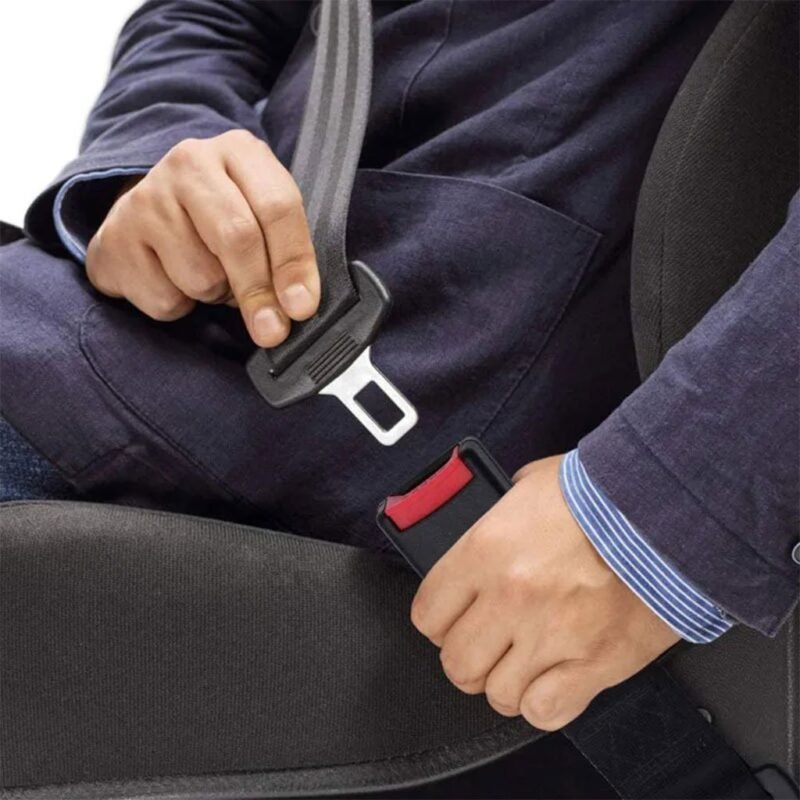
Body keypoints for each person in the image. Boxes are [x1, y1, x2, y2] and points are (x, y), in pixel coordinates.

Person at [1, 0, 797, 733]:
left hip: (428, 457)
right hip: (116, 342)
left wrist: (669, 506)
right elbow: (214, 12)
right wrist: (156, 157)